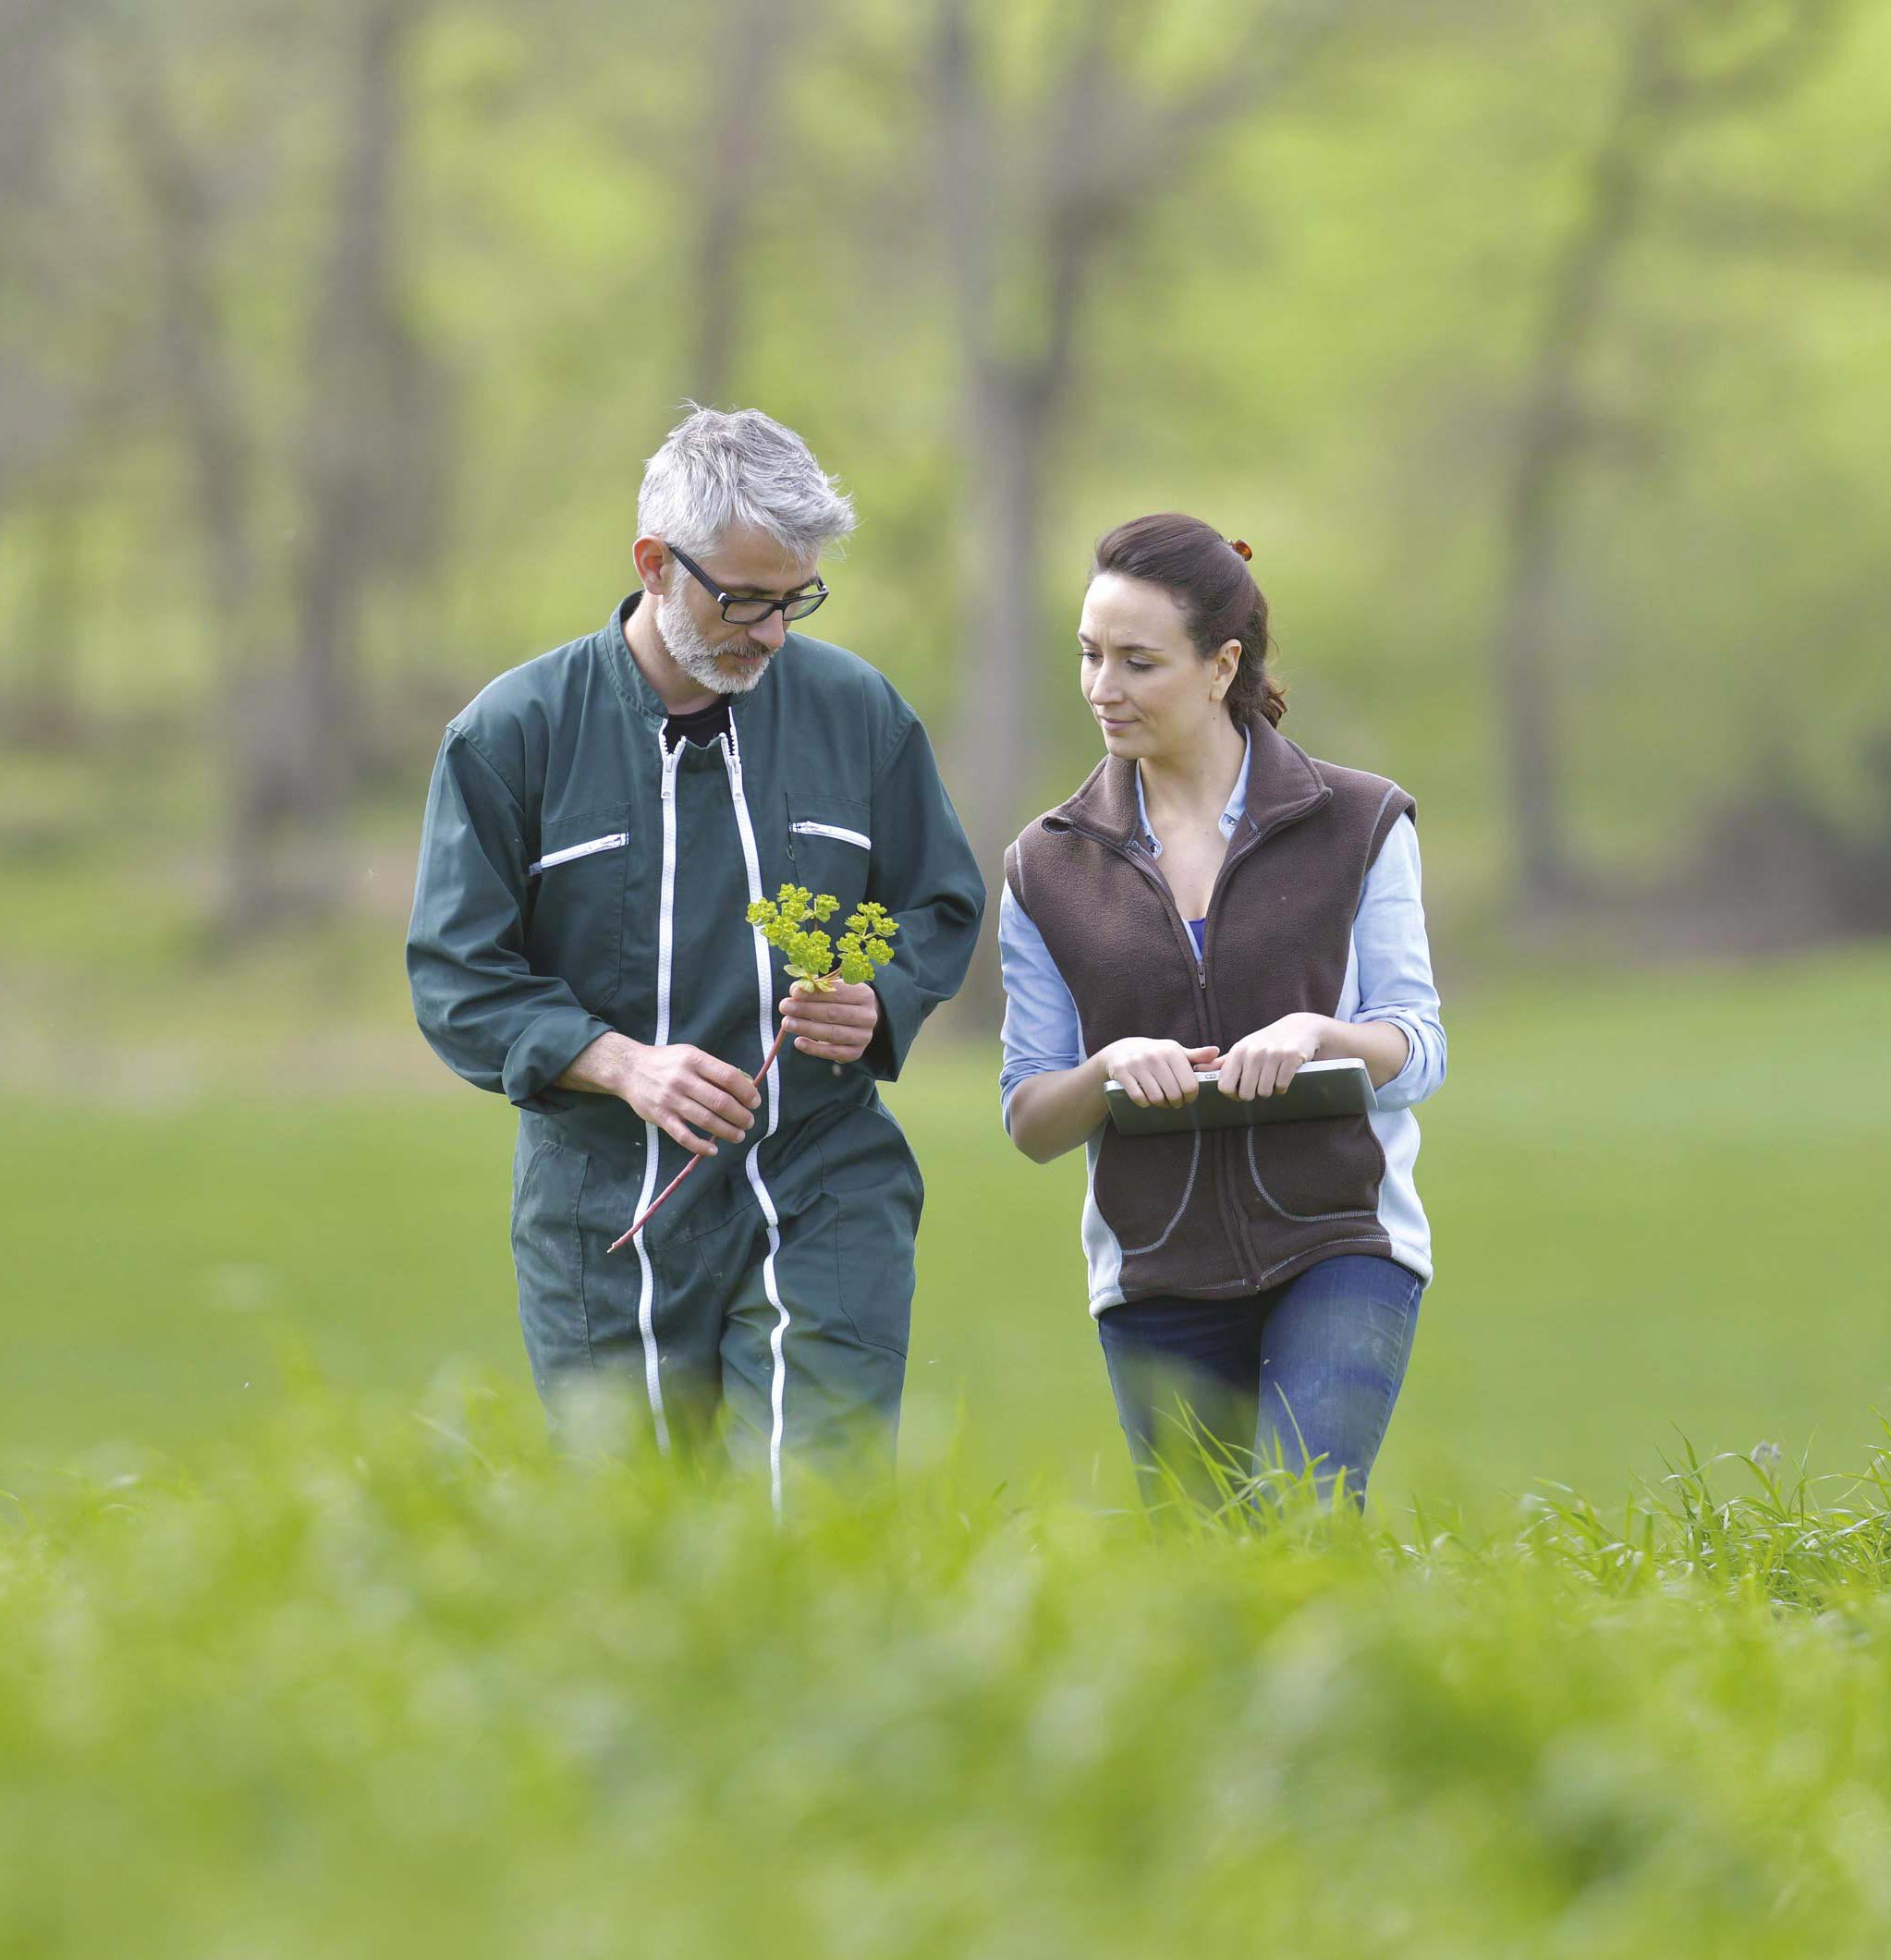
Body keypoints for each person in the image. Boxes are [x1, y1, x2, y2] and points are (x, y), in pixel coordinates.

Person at [407, 406, 984, 1503]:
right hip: (604, 1210)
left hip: (823, 1177)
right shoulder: (512, 734)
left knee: (818, 1512)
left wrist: (881, 1000)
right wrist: (622, 1064)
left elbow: (940, 900)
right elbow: (458, 978)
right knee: (645, 1542)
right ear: (654, 565)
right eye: (746, 599)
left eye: (795, 599)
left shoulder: (858, 713)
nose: (770, 633)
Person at [997, 513, 1445, 1509]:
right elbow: (1029, 1118)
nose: (1102, 689)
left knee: (1305, 1511)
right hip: (1154, 1274)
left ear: (1220, 664)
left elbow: (1418, 1050)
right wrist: (1109, 1070)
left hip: (1342, 1241)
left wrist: (1323, 1034)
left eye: (1137, 662)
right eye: (1089, 656)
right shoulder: (1045, 866)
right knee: (1204, 1576)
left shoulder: (1359, 823)